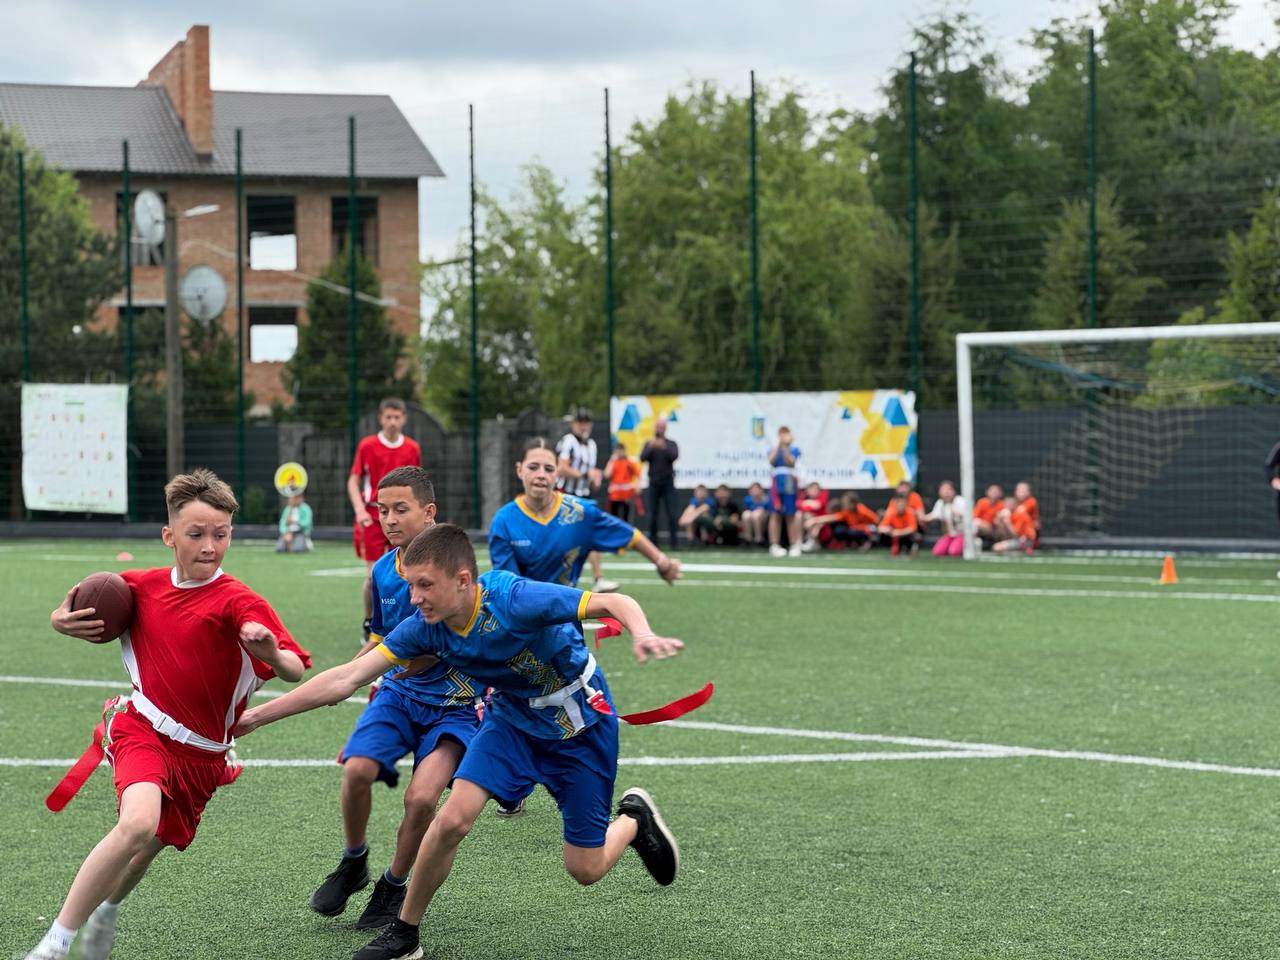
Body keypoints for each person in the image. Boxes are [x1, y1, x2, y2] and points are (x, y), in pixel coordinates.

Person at [235, 524, 688, 960]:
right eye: (411, 585)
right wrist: (258, 715)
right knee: (451, 820)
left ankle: (633, 820)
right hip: (509, 723)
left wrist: (643, 632)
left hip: (579, 729)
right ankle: (404, 933)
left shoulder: (514, 599)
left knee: (584, 870)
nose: (414, 598)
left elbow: (614, 601)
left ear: (464, 580)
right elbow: (348, 677)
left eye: (425, 586)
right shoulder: (425, 626)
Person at [25, 469, 311, 960]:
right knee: (137, 824)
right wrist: (58, 618)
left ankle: (107, 909)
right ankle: (55, 943)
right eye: (195, 534)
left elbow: (294, 670)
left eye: (220, 535)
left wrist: (271, 650)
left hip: (202, 757)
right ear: (169, 536)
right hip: (142, 728)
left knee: (150, 842)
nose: (209, 546)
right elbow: (77, 601)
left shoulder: (239, 601)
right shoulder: (138, 587)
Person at [311, 466, 486, 932]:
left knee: (422, 798)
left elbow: (422, 655)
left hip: (455, 705)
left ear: (429, 513)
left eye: (400, 509)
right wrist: (351, 671)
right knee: (356, 771)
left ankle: (393, 884)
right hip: (397, 694)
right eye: (382, 510)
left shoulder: (453, 572)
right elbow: (383, 640)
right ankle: (354, 861)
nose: (388, 519)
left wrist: (359, 671)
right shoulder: (383, 570)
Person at [489, 438, 682, 590]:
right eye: (533, 467)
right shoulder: (504, 522)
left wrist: (662, 562)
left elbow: (631, 536)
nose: (541, 474)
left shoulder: (581, 513)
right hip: (522, 628)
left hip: (565, 628)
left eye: (548, 469)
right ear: (519, 470)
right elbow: (509, 591)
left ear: (557, 473)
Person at [348, 398, 423, 639]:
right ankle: (371, 622)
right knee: (373, 576)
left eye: (397, 417)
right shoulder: (367, 445)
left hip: (403, 515)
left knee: (409, 568)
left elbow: (418, 484)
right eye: (388, 417)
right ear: (381, 419)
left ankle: (409, 619)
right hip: (373, 514)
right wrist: (360, 510)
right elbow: (353, 480)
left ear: (404, 419)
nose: (392, 421)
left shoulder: (412, 448)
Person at [556, 407, 616, 592]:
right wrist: (585, 475)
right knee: (563, 539)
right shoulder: (568, 442)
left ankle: (598, 578)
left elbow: (589, 474)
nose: (583, 426)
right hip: (565, 494)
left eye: (586, 422)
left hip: (583, 494)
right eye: (580, 422)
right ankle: (557, 579)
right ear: (574, 424)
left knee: (592, 533)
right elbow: (561, 468)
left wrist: (594, 478)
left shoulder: (592, 445)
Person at [640, 416, 680, 549]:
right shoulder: (649, 444)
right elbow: (642, 458)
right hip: (653, 483)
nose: (659, 429)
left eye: (662, 427)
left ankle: (674, 543)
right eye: (658, 426)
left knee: (672, 514)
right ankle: (653, 544)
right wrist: (652, 447)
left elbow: (674, 456)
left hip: (668, 483)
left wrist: (663, 447)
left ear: (665, 428)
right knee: (652, 514)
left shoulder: (671, 444)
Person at [766, 426, 803, 557]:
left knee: (790, 514)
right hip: (776, 483)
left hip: (789, 483)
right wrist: (779, 445)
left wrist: (786, 446)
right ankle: (774, 545)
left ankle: (794, 544)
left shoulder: (794, 449)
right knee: (775, 513)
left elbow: (791, 462)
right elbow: (771, 461)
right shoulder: (773, 449)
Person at [803, 492, 879, 552]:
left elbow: (876, 520)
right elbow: (831, 518)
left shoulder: (862, 510)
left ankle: (867, 543)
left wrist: (868, 529)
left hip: (868, 530)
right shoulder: (847, 512)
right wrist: (814, 520)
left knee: (866, 530)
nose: (844, 505)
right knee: (841, 530)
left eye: (846, 503)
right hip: (856, 530)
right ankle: (853, 544)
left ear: (853, 504)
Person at [923, 480, 968, 557]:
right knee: (937, 552)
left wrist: (957, 513)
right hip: (950, 534)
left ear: (954, 491)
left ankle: (972, 543)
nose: (946, 492)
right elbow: (933, 515)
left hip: (963, 533)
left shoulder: (960, 501)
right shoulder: (940, 503)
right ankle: (952, 545)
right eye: (943, 490)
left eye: (948, 489)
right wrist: (920, 517)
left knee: (954, 552)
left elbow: (967, 517)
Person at [877, 490, 923, 557]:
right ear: (896, 504)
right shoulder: (891, 512)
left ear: (906, 504)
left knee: (916, 537)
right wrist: (888, 530)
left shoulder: (910, 512)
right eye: (899, 503)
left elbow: (913, 528)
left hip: (905, 536)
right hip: (893, 536)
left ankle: (911, 548)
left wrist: (898, 532)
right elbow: (880, 528)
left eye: (903, 503)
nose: (901, 506)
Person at [604, 443, 641, 523]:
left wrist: (637, 485)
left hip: (626, 494)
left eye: (621, 450)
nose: (620, 452)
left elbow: (637, 474)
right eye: (618, 450)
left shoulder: (629, 462)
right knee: (614, 517)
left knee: (626, 518)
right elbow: (607, 474)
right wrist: (611, 461)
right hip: (615, 495)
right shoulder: (613, 462)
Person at [972, 483, 1006, 548]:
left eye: (996, 491)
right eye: (992, 491)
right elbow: (975, 517)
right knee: (976, 523)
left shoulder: (1001, 504)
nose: (994, 493)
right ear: (987, 492)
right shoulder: (982, 502)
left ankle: (1001, 543)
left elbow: (999, 521)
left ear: (1000, 493)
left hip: (995, 529)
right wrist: (985, 525)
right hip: (982, 528)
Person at [740, 481, 768, 545]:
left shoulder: (766, 499)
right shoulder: (747, 499)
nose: (755, 491)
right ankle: (748, 538)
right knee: (746, 514)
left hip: (764, 520)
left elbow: (769, 512)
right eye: (753, 489)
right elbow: (745, 510)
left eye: (757, 489)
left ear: (761, 490)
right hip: (751, 519)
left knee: (756, 514)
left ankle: (759, 538)